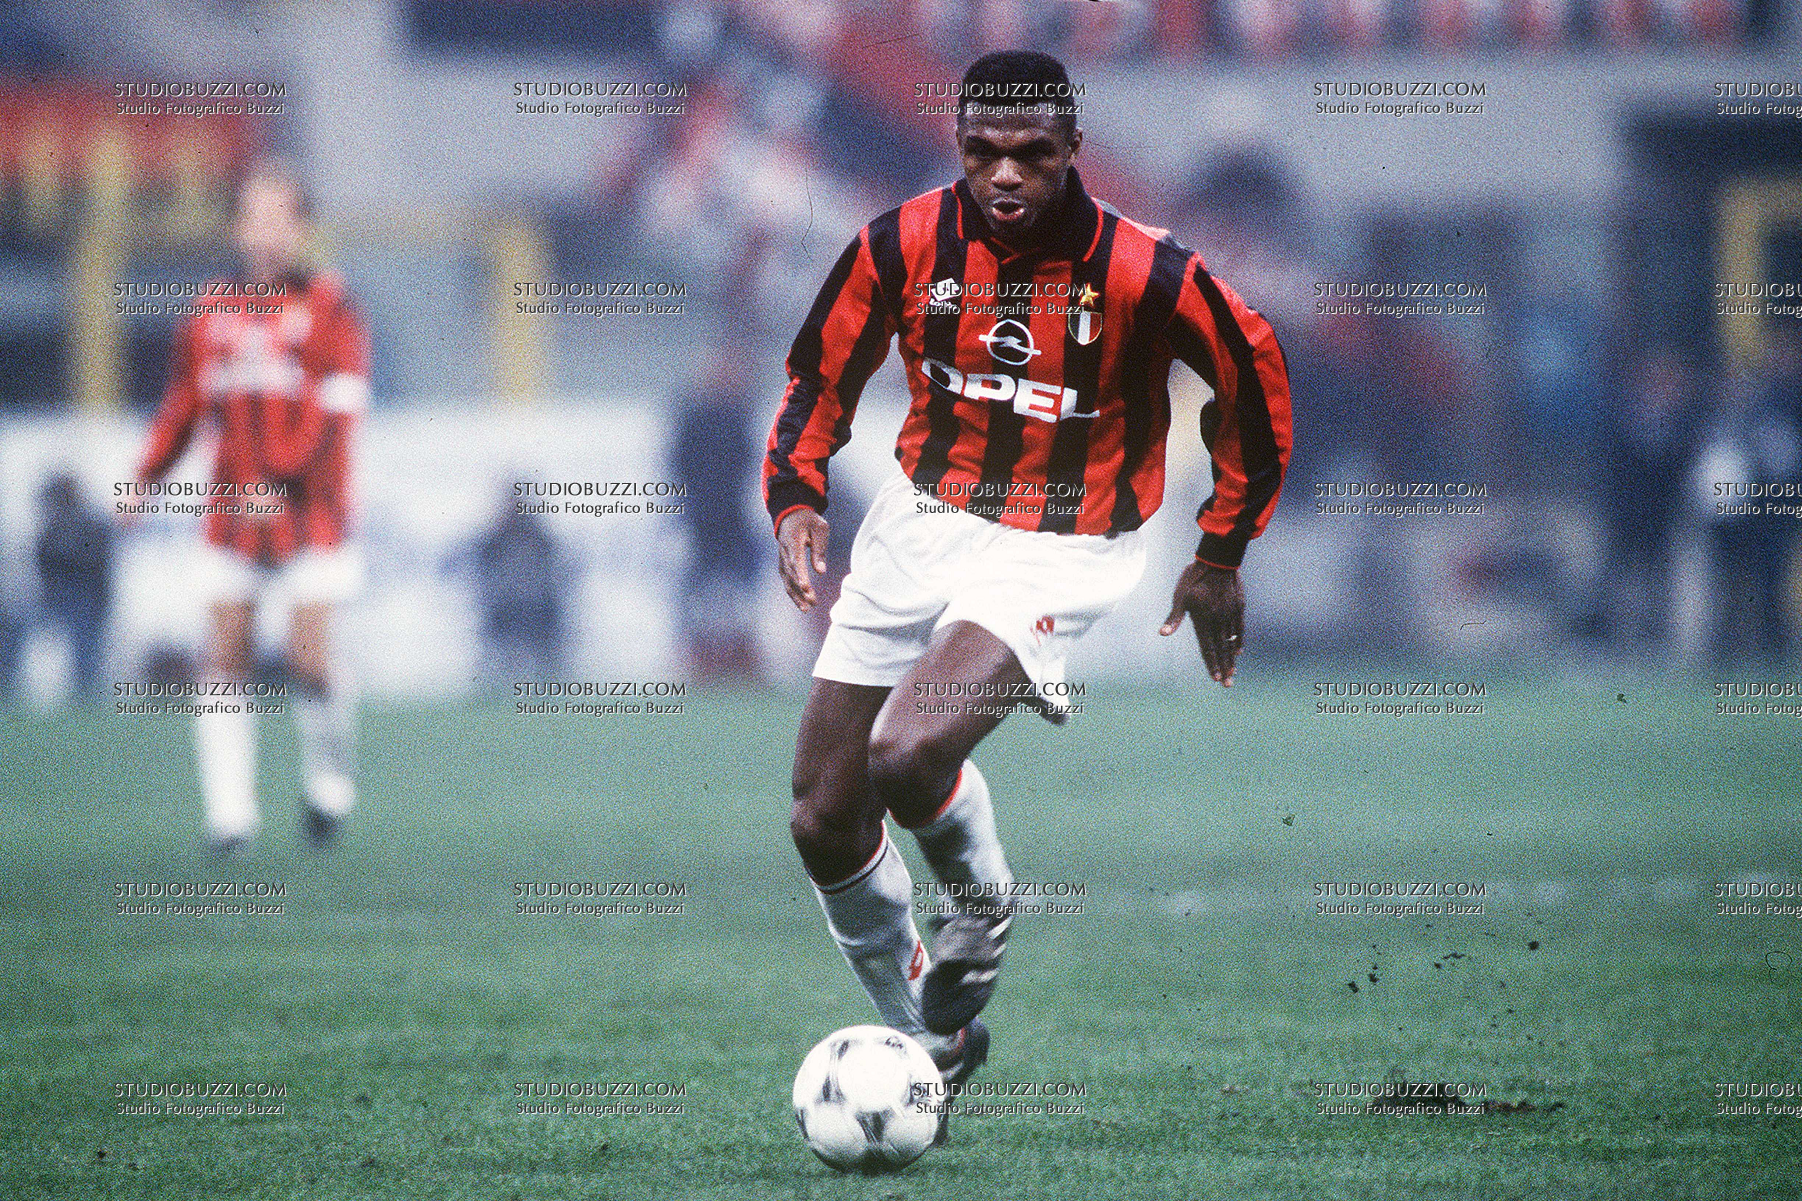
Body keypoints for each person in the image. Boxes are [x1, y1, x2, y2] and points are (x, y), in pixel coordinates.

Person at [762, 52, 1292, 1109]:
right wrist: (796, 492)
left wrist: (1220, 549)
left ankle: (982, 899)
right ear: (957, 145)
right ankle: (931, 1036)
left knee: (908, 751)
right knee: (822, 814)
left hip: (1065, 536)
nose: (1005, 175)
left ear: (1072, 150)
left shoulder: (1145, 271)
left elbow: (1254, 374)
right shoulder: (900, 243)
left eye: (1032, 154)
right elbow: (821, 371)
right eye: (983, 152)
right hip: (921, 517)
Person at [132, 157, 370, 852]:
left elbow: (337, 416)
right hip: (230, 515)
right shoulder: (209, 311)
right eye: (253, 217)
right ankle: (229, 815)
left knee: (310, 658)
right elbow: (184, 404)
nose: (265, 232)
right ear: (237, 227)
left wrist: (280, 479)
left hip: (312, 514)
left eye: (279, 218)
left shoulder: (331, 307)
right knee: (225, 654)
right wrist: (146, 477)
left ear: (300, 227)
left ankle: (330, 781)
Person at [35, 473, 115, 698]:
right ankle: (79, 692)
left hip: (87, 597)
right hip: (64, 597)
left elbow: (97, 559)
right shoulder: (54, 526)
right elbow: (44, 561)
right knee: (76, 648)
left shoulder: (88, 523)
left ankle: (85, 693)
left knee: (86, 649)